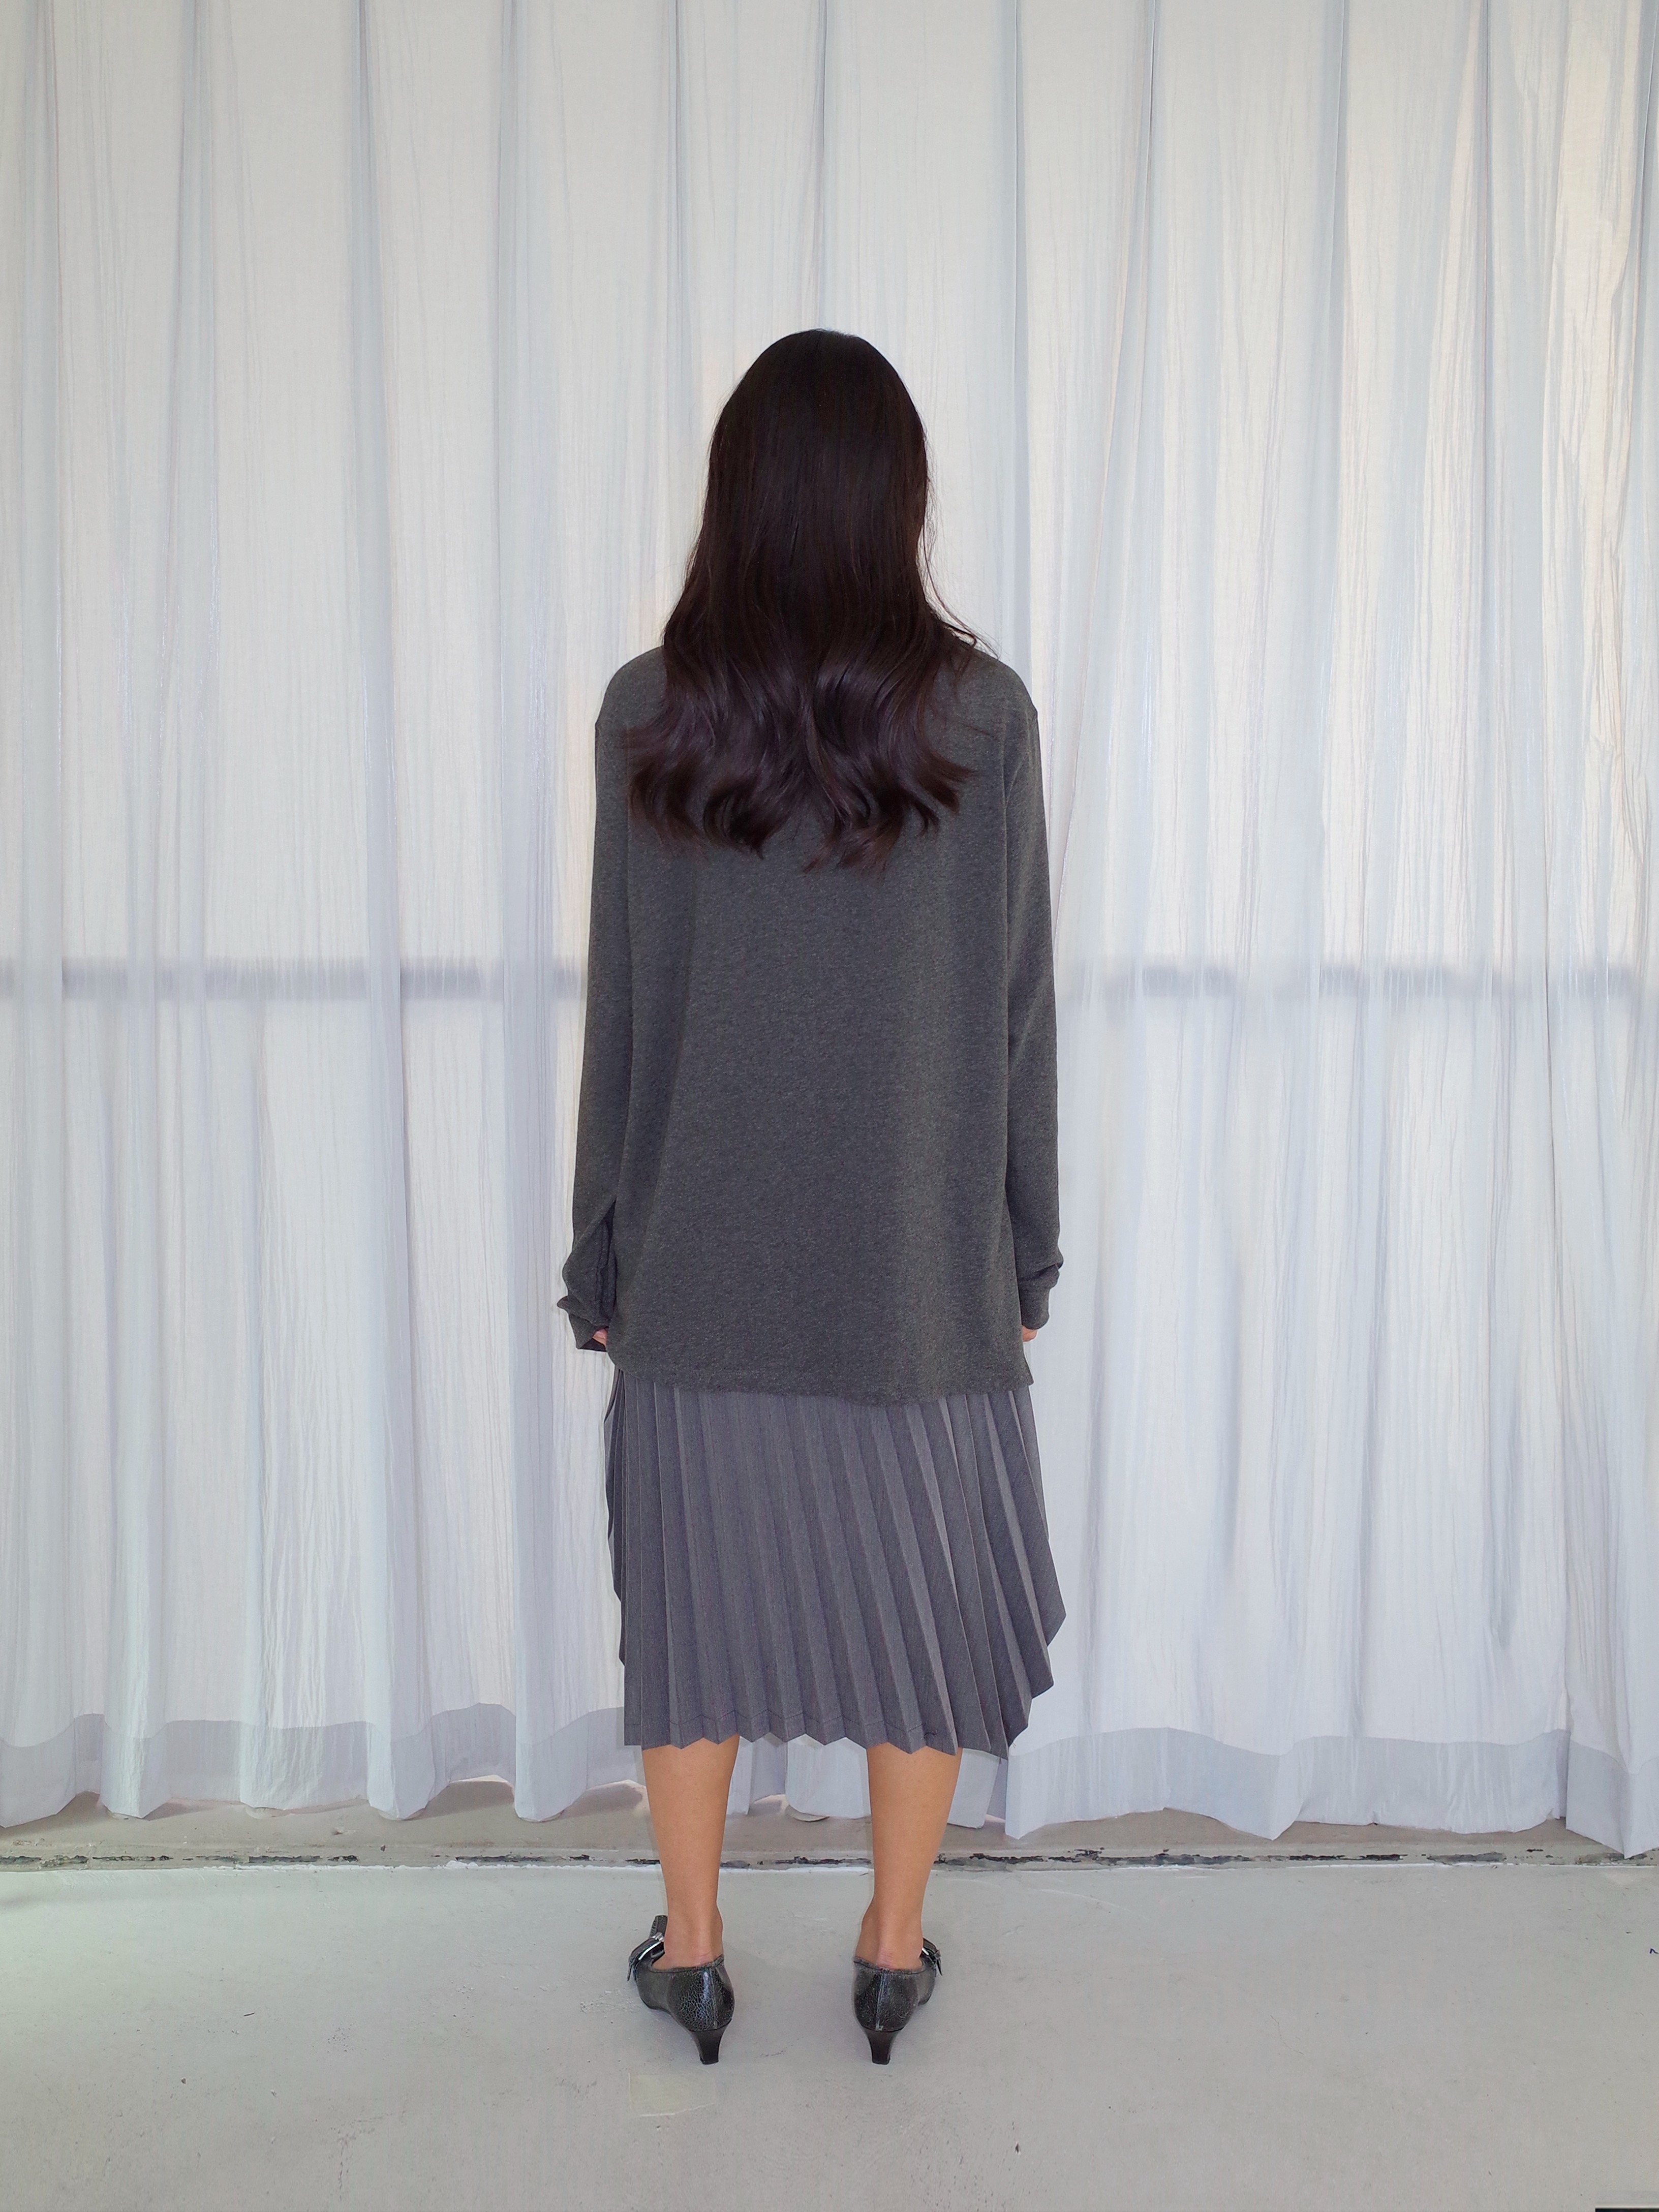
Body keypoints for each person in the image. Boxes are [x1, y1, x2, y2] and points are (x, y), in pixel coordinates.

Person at [557, 327, 1065, 2067]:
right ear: (896, 499)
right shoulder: (983, 718)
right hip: (915, 1274)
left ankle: (695, 1951)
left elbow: (624, 1011)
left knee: (692, 1624)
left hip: (701, 1264)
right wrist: (1024, 1248)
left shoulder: (652, 710)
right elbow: (1018, 1012)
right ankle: (893, 1949)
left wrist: (603, 1249)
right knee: (918, 1624)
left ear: (741, 497)